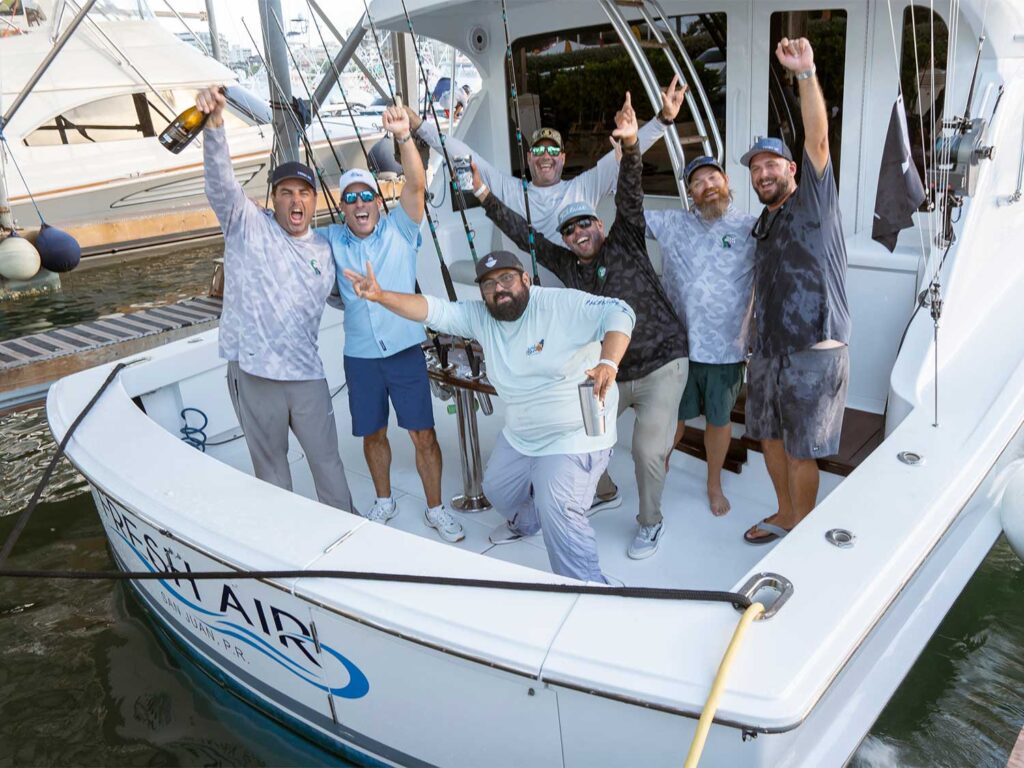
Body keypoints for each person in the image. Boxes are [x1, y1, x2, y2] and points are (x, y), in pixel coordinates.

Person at [472, 92, 687, 560]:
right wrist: (487, 198)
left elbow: (628, 190)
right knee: (583, 437)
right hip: (606, 370)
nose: (578, 234)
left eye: (585, 224)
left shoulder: (625, 239)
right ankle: (601, 490)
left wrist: (631, 144)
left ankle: (650, 523)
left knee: (648, 451)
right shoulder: (568, 266)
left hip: (657, 363)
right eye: (569, 231)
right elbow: (524, 234)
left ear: (601, 224)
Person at [343, 251, 635, 584]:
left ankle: (591, 589)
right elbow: (432, 309)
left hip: (573, 432)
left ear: (526, 279)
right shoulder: (481, 316)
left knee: (557, 505)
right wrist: (380, 297)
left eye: (507, 278)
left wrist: (609, 363)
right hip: (522, 433)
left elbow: (619, 311)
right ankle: (527, 523)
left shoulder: (558, 305)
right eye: (489, 284)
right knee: (496, 488)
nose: (499, 289)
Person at [198, 85, 354, 512]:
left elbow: (351, 298)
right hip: (255, 374)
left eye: (303, 192)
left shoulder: (327, 248)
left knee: (329, 466)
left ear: (314, 200)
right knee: (271, 475)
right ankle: (286, 544)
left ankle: (349, 534)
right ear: (274, 199)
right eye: (285, 192)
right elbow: (220, 182)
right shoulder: (246, 224)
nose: (295, 200)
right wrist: (215, 126)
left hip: (306, 376)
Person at [317, 104, 464, 543]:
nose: (360, 204)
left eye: (367, 196)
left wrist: (403, 137)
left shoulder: (401, 228)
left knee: (423, 434)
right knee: (372, 433)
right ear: (342, 207)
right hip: (360, 357)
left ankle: (436, 508)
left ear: (379, 203)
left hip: (403, 350)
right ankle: (384, 501)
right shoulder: (329, 239)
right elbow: (289, 234)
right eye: (351, 198)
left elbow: (417, 184)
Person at [740, 37, 851, 544]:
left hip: (813, 347)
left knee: (803, 448)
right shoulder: (762, 223)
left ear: (790, 169)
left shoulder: (814, 201)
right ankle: (785, 513)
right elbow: (761, 284)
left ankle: (803, 531)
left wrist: (805, 73)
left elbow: (818, 139)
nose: (763, 172)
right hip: (767, 350)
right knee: (767, 437)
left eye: (772, 164)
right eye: (755, 167)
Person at [404, 76, 689, 242]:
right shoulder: (512, 190)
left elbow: (631, 151)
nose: (545, 156)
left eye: (553, 151)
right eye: (538, 150)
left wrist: (663, 120)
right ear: (529, 158)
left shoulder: (584, 186)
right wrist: (419, 126)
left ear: (563, 159)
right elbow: (466, 156)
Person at [646, 155, 756, 517]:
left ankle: (713, 483)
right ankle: (658, 470)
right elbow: (627, 215)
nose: (708, 185)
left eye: (714, 177)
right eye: (698, 182)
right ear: (689, 192)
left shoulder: (752, 227)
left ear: (726, 181)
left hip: (727, 349)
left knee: (719, 421)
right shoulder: (671, 223)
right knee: (672, 421)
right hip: (680, 349)